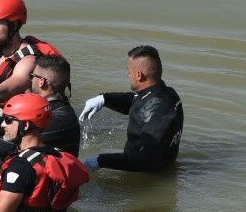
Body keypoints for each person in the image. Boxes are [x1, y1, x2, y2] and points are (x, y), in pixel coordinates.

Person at [78, 45, 183, 173]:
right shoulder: (168, 93)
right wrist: (105, 99)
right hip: (165, 163)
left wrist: (101, 161)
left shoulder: (154, 112)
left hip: (145, 178)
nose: (128, 75)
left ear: (139, 75)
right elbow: (138, 101)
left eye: (129, 71)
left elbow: (146, 159)